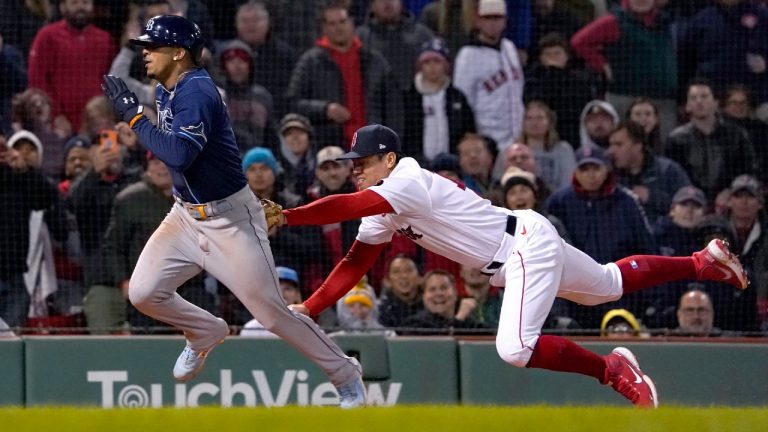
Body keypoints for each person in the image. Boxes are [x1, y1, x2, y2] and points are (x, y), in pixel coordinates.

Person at [273, 123, 750, 408]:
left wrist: (291, 215)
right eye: (353, 164)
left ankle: (611, 370)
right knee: (606, 284)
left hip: (519, 246)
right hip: (518, 241)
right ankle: (701, 262)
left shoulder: (406, 178)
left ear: (390, 158)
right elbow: (357, 259)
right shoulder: (382, 202)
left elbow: (344, 209)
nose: (356, 169)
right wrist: (312, 308)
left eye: (363, 162)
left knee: (515, 348)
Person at [99, 14, 365, 407]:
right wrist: (142, 116)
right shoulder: (167, 89)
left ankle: (345, 373)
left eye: (153, 46)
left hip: (231, 220)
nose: (146, 53)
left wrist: (136, 116)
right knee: (143, 292)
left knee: (273, 315)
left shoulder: (198, 91)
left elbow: (179, 154)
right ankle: (205, 331)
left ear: (179, 53)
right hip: (186, 215)